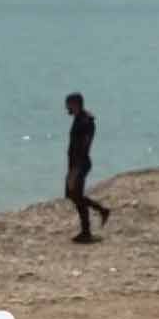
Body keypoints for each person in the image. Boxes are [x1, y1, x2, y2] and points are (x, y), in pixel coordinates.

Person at [64, 91, 110, 242]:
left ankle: (87, 230)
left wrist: (75, 169)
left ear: (75, 104)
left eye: (68, 104)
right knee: (73, 195)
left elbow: (83, 146)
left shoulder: (85, 121)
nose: (67, 108)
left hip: (80, 163)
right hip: (76, 163)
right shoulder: (80, 118)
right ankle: (100, 213)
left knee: (76, 195)